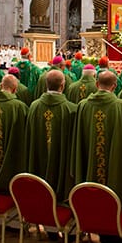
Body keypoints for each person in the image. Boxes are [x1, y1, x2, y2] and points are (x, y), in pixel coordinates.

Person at [71, 70, 122, 208]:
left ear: (96, 84)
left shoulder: (83, 106)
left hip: (90, 163)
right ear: (115, 86)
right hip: (115, 169)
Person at [27, 70, 77, 200]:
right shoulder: (71, 109)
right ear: (62, 86)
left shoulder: (34, 106)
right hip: (61, 167)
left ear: (46, 85)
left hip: (38, 161)